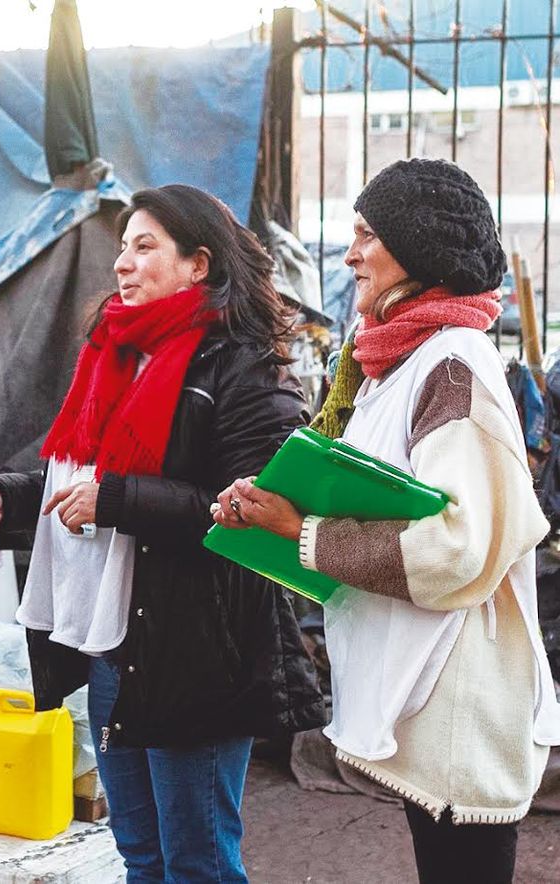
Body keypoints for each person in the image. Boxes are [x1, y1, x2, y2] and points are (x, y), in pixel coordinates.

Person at [0, 185, 326, 883]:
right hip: (113, 645)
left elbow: (253, 509)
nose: (122, 264)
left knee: (196, 862)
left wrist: (118, 501)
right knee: (142, 854)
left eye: (145, 246)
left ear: (198, 264)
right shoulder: (115, 355)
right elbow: (77, 478)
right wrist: (3, 499)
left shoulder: (244, 367)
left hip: (196, 649)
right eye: (123, 248)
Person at [214, 157, 560, 884]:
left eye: (367, 234)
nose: (349, 255)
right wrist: (272, 508)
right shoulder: (394, 365)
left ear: (418, 247)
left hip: (458, 707)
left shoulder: (453, 366)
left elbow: (455, 547)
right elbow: (369, 496)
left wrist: (298, 532)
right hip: (425, 693)